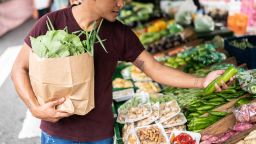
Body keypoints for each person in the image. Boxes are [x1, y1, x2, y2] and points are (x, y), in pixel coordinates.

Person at [11, 0, 230, 143]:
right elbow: (19, 68)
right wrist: (36, 108)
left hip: (100, 135)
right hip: (56, 133)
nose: (121, 3)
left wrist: (202, 82)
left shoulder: (119, 33)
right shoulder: (52, 22)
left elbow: (154, 69)